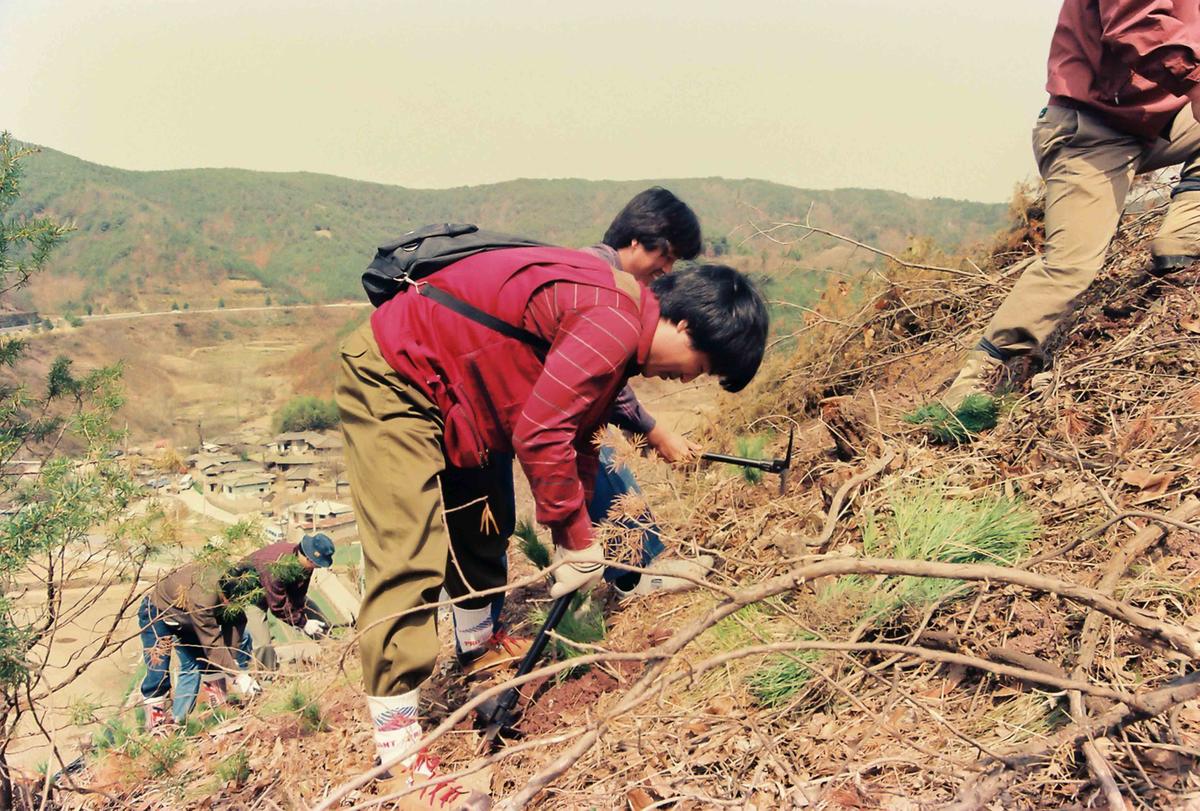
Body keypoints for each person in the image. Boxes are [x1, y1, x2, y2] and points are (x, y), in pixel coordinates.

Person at [336, 248, 767, 805]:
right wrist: (573, 539)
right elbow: (540, 435)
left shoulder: (622, 338)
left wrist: (578, 534)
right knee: (409, 555)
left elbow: (578, 441)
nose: (689, 380)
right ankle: (396, 754)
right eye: (702, 366)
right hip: (395, 375)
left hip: (449, 387)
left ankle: (474, 653)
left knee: (476, 529)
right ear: (685, 325)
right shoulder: (612, 317)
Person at [945, 0, 1200, 409]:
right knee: (1070, 266)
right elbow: (1135, 23)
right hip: (1090, 132)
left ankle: (1182, 240)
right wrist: (1195, 81)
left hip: (1155, 122)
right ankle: (972, 384)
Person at [138, 561, 262, 731]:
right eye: (228, 601)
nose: (231, 606)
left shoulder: (234, 586)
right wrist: (237, 676)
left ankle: (218, 710)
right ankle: (157, 727)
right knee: (158, 674)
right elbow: (211, 642)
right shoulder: (204, 597)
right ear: (223, 592)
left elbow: (234, 626)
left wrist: (232, 665)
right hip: (159, 612)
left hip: (187, 616)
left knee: (211, 664)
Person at [232, 532, 336, 672]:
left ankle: (334, 652)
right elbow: (278, 607)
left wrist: (304, 616)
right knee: (263, 644)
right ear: (307, 557)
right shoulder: (276, 565)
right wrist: (303, 623)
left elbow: (299, 594)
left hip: (279, 591)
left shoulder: (306, 564)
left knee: (317, 616)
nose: (317, 568)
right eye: (316, 564)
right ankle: (267, 677)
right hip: (253, 595)